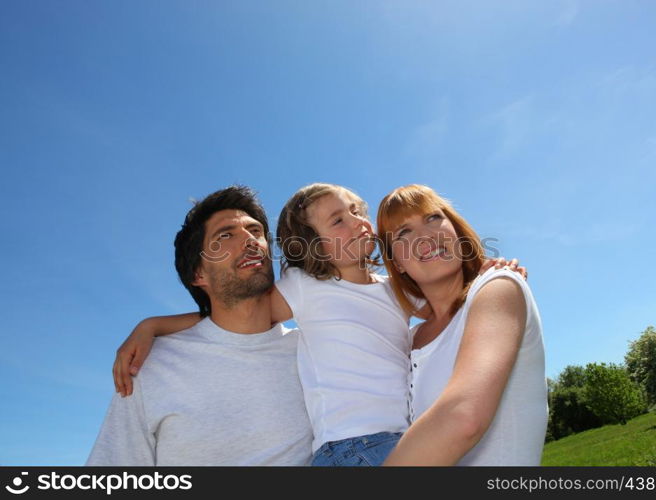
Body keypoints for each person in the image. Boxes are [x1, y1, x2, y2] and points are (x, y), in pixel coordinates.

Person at [113, 183, 526, 466]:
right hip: (351, 449)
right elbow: (240, 315)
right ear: (314, 246)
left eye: (357, 212)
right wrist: (154, 325)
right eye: (337, 221)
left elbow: (448, 299)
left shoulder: (396, 291)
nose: (358, 221)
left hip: (403, 439)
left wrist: (486, 272)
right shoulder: (305, 286)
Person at [86, 185, 313, 465]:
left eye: (255, 231)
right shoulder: (151, 366)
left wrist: (152, 324)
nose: (250, 239)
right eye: (226, 235)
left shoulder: (314, 349)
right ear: (198, 273)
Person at [377, 184, 547, 466]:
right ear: (398, 264)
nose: (425, 236)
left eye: (433, 218)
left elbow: (463, 416)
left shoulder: (497, 287)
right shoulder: (408, 339)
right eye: (403, 233)